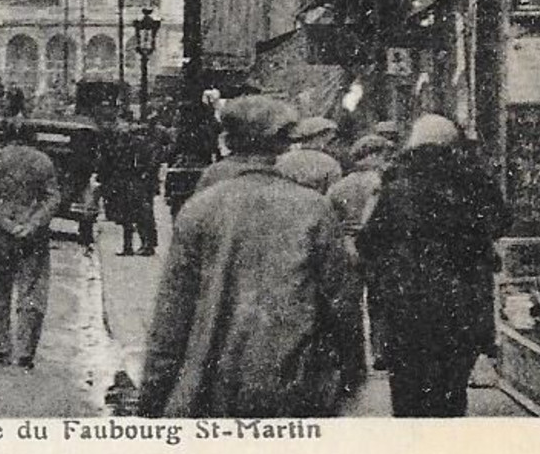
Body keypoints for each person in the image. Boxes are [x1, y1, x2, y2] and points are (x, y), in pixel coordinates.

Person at [138, 94, 364, 417]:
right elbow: (342, 301)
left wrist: (153, 395)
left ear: (228, 140)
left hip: (211, 386)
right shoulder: (313, 209)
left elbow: (172, 315)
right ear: (283, 144)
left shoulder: (200, 208)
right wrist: (352, 371)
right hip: (292, 382)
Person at [356, 114, 508, 417]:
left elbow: (368, 242)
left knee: (407, 392)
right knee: (451, 391)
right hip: (460, 305)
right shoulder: (472, 179)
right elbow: (501, 221)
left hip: (404, 306)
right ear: (452, 143)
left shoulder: (393, 181)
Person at [0, 124, 62, 369]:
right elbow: (53, 197)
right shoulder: (43, 161)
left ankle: (1, 347)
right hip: (32, 236)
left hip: (0, 235)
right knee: (31, 290)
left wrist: (7, 223)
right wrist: (33, 223)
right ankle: (25, 350)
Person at [328, 134, 397, 369]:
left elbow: (331, 221)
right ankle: (381, 351)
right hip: (379, 246)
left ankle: (352, 357)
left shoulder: (339, 187)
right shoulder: (383, 182)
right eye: (383, 155)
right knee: (381, 300)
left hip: (348, 245)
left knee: (351, 302)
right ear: (373, 155)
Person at [100, 122, 161, 256]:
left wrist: (144, 175)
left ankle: (145, 244)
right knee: (130, 214)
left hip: (138, 183)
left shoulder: (144, 147)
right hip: (129, 182)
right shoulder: (132, 146)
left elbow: (150, 165)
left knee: (141, 214)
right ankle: (133, 246)